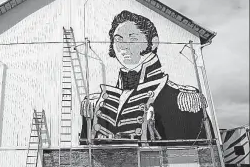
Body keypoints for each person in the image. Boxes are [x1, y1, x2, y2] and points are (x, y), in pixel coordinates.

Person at [79, 10, 212, 143]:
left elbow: (197, 156)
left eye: (133, 39)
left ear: (153, 43)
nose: (123, 46)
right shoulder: (97, 103)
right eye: (118, 39)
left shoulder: (183, 99)